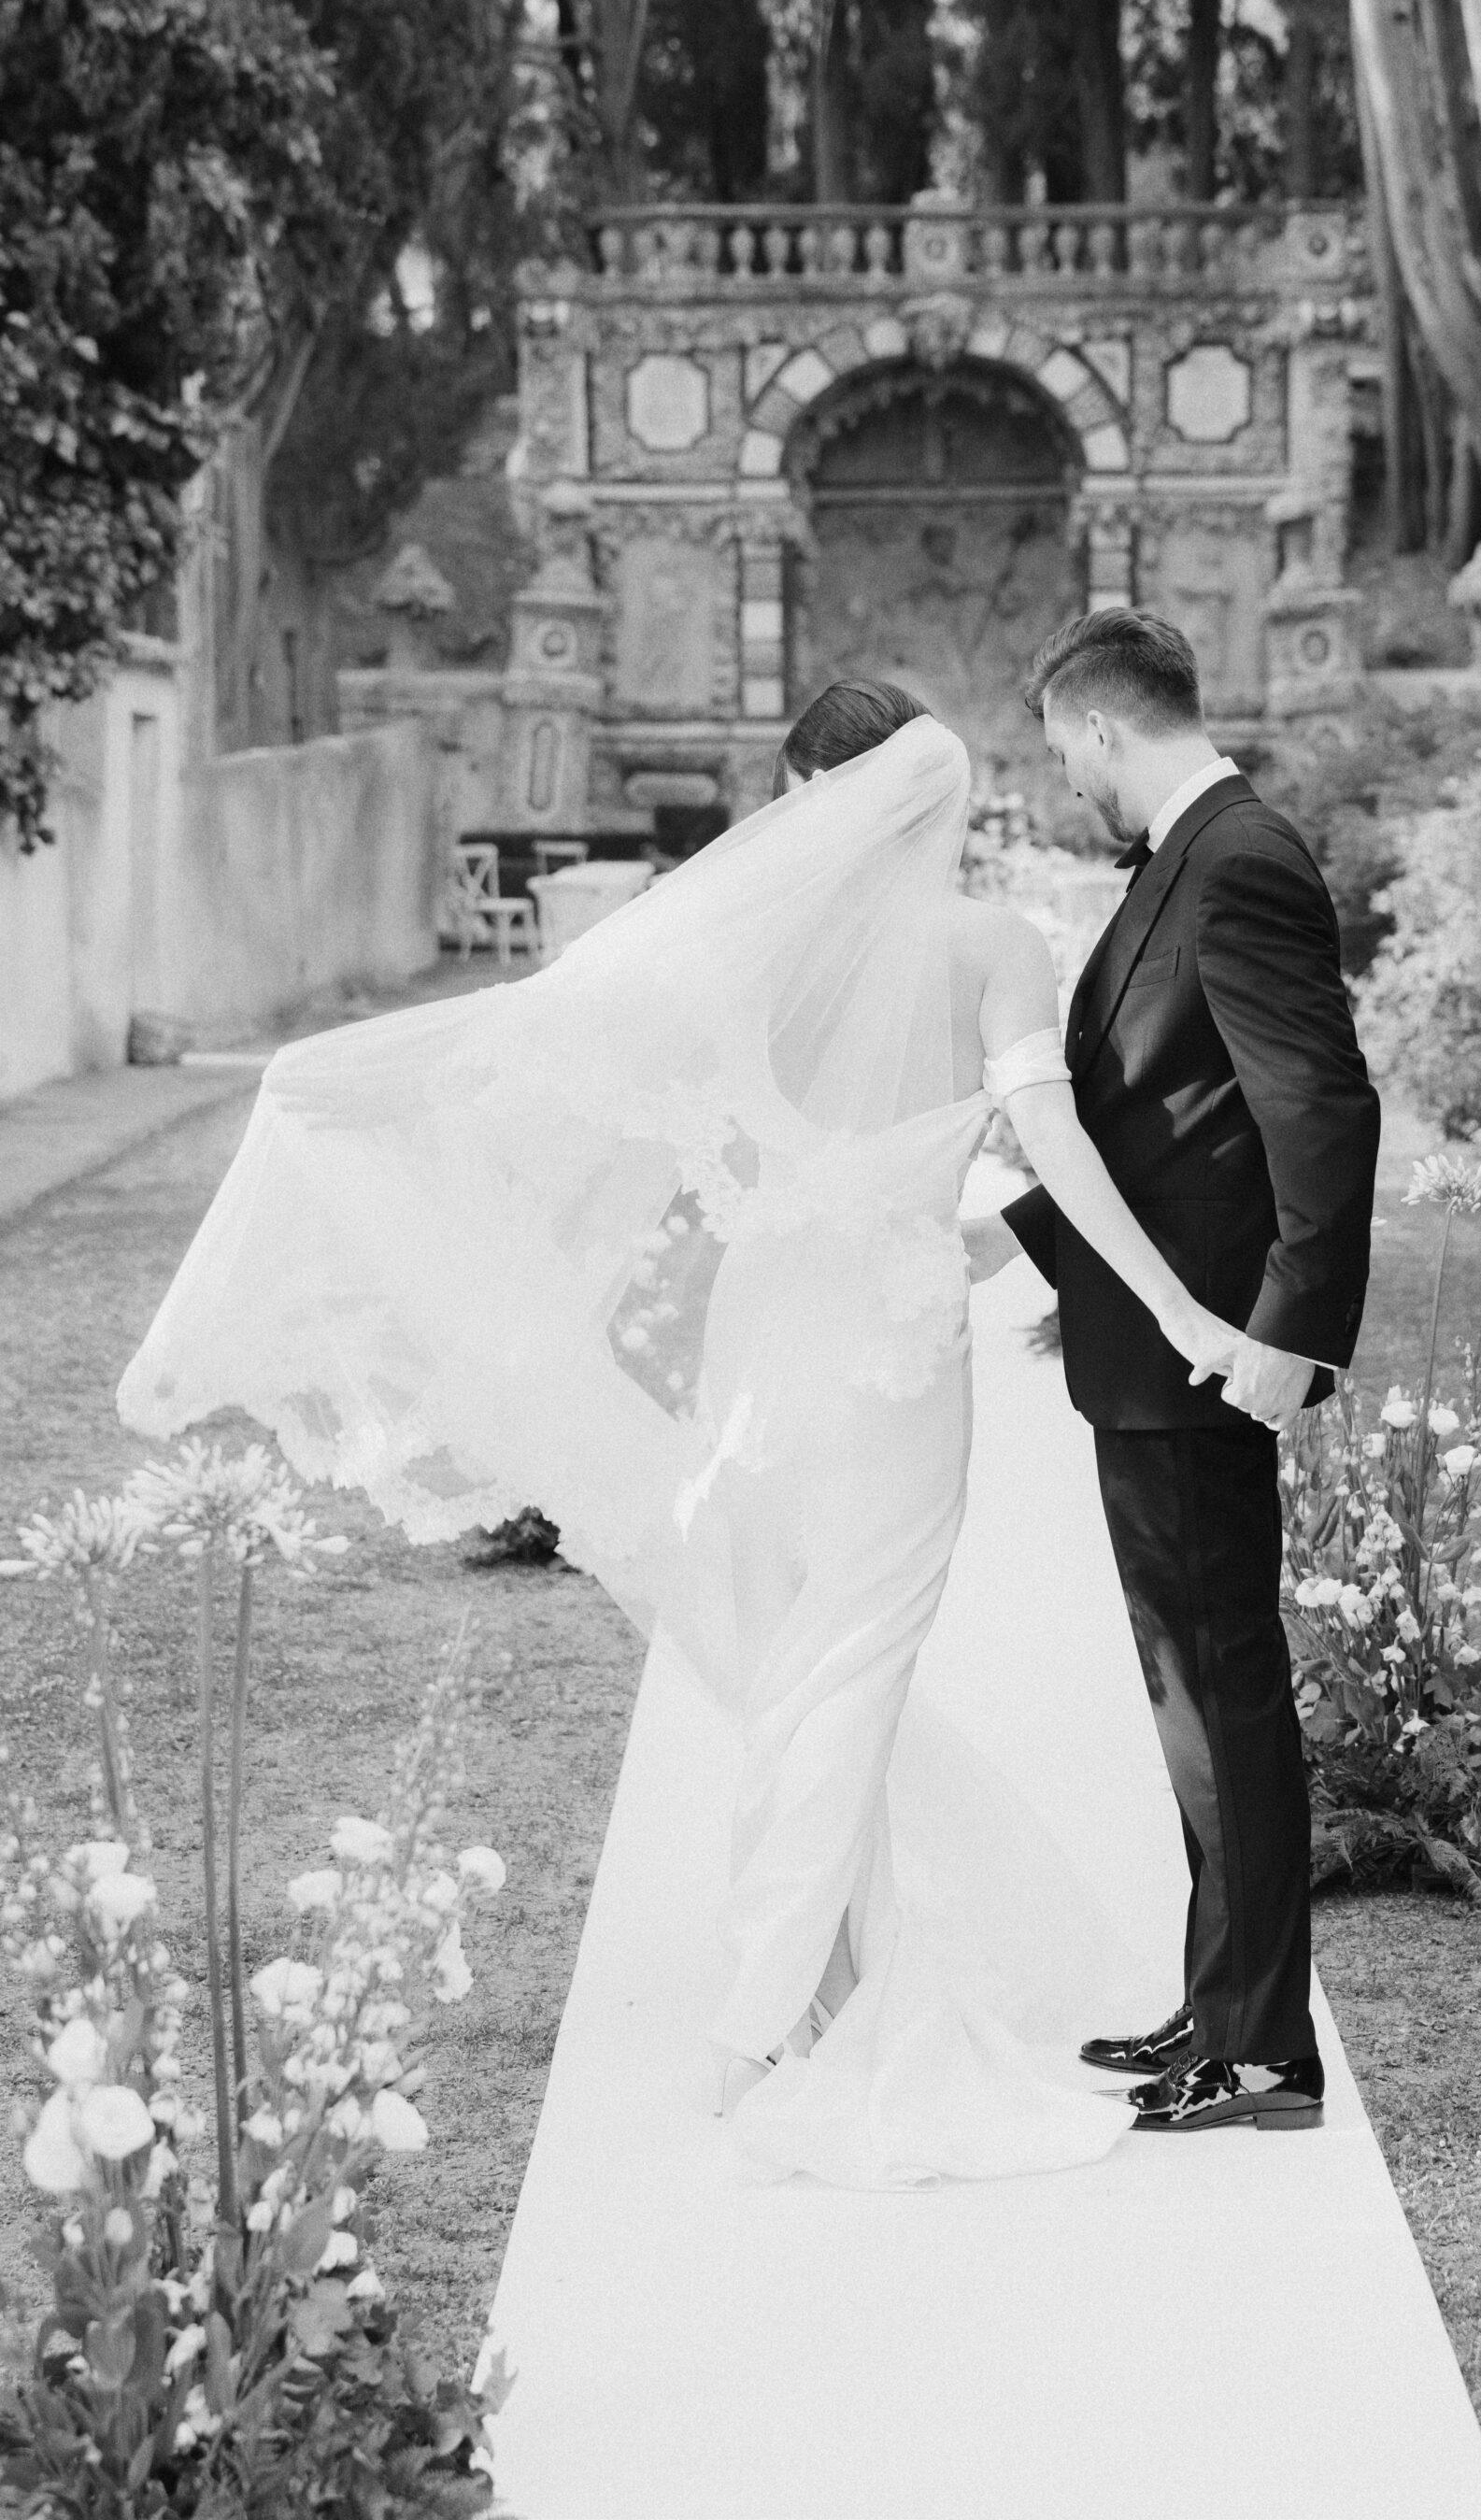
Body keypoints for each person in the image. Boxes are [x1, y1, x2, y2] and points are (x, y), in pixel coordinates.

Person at [118, 676, 1244, 2186]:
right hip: (893, 1358)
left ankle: (816, 1985)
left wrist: (335, 1085)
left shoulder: (755, 961)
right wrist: (1174, 1307)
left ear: (814, 801)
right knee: (852, 1661)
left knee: (798, 1660)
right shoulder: (992, 943)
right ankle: (764, 2010)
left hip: (769, 1345)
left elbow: (572, 1067)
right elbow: (1048, 1138)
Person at [963, 606, 1382, 2133]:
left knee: (1221, 1689)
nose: (1065, 787)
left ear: (1093, 729)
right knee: (1187, 1687)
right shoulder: (1192, 860)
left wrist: (1289, 1333)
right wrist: (1031, 1250)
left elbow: (1319, 1111)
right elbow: (1162, 1122)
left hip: (1209, 1363)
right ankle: (1224, 2000)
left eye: (1059, 755)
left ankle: (1265, 2048)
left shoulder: (1241, 861)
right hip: (1152, 1348)